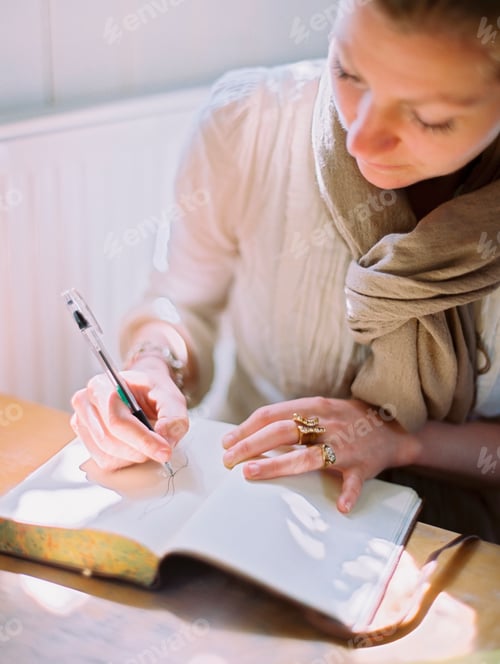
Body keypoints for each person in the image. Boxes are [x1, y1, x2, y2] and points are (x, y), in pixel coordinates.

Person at [71, 0, 500, 543]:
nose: (359, 140)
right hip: (248, 499)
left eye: (429, 117)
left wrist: (402, 443)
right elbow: (183, 299)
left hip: (461, 542)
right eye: (347, 71)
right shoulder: (249, 122)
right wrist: (155, 364)